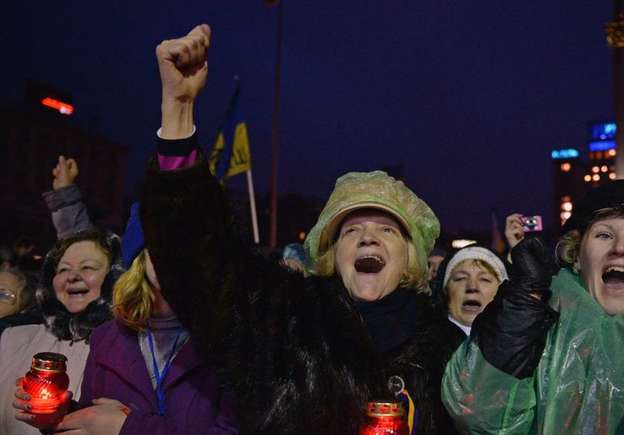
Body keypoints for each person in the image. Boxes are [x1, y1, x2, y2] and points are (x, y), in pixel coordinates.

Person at [131, 23, 528, 434]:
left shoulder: (448, 350)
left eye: (387, 230)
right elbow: (199, 262)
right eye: (351, 230)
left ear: (411, 256)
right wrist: (177, 113)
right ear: (331, 252)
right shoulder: (283, 320)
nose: (368, 236)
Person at [442, 180, 624, 434]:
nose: (620, 248)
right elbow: (477, 414)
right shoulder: (541, 326)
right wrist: (521, 305)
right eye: (604, 235)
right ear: (577, 257)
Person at [14, 244, 239, 434]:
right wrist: (58, 417)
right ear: (141, 255)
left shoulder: (235, 343)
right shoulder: (106, 338)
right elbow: (93, 419)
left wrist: (128, 427)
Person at [0, 229, 123, 435]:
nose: (73, 276)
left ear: (113, 278)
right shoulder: (12, 338)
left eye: (88, 267)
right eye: (64, 269)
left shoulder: (126, 350)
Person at [441, 245, 507, 336]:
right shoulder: (419, 346)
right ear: (446, 290)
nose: (472, 287)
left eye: (484, 279)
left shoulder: (524, 345)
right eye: (460, 278)